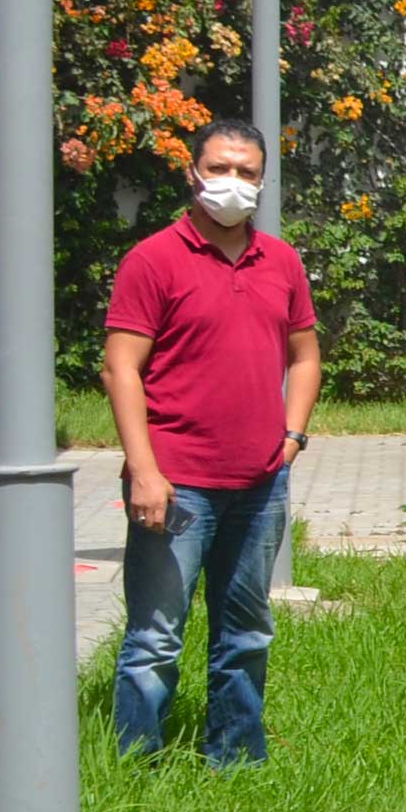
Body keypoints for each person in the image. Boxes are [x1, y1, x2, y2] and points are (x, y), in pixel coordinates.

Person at [102, 119, 318, 764]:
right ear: (192, 174)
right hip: (175, 482)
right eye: (219, 169)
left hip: (259, 485)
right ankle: (135, 766)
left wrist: (293, 434)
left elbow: (305, 356)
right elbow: (121, 368)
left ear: (263, 180)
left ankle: (236, 759)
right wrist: (144, 471)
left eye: (247, 172)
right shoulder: (153, 260)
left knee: (247, 633)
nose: (232, 183)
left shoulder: (280, 261)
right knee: (155, 638)